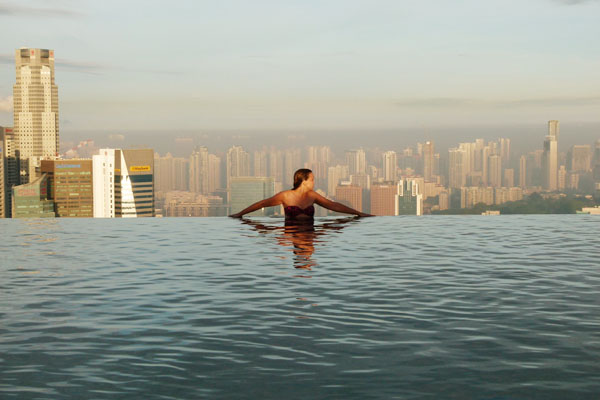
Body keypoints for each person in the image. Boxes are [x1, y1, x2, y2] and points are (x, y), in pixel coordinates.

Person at [229, 168, 373, 220]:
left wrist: (358, 213)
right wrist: (240, 214)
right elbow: (262, 204)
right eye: (312, 179)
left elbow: (333, 206)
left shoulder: (312, 196)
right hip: (291, 231)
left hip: (311, 230)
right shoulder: (285, 196)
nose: (314, 182)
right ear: (303, 181)